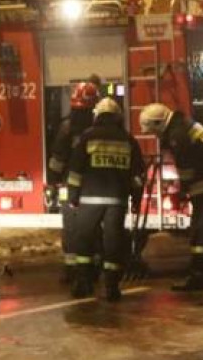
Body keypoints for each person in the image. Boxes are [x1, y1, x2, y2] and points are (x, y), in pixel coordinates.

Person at [139, 103, 203, 291]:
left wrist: (182, 191)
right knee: (202, 231)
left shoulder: (177, 135)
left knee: (202, 232)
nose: (156, 136)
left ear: (159, 123)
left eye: (154, 131)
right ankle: (199, 273)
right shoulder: (183, 125)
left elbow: (185, 169)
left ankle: (199, 276)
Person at [65, 97, 144, 301]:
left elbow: (75, 170)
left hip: (89, 199)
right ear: (118, 117)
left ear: (97, 116)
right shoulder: (128, 140)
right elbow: (137, 176)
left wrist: (73, 196)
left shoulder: (87, 137)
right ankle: (112, 286)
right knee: (113, 242)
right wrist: (136, 199)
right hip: (116, 201)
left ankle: (83, 282)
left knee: (83, 239)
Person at [47, 81, 100, 282]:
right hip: (93, 185)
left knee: (71, 227)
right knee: (93, 226)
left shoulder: (67, 127)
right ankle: (93, 266)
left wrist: (53, 181)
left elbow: (58, 158)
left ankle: (71, 269)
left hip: (69, 186)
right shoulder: (98, 127)